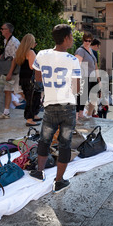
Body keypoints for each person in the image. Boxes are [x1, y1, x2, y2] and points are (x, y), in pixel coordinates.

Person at [29, 24, 81, 193]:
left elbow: (37, 77)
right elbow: (77, 88)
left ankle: (39, 171)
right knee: (65, 144)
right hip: (67, 107)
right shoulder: (73, 60)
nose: (72, 40)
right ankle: (59, 181)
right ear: (66, 39)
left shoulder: (42, 54)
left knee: (45, 139)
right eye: (71, 36)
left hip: (50, 105)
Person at [14, 34, 42, 127]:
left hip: (23, 78)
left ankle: (33, 115)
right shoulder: (31, 52)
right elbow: (32, 66)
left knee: (30, 98)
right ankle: (29, 119)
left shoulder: (21, 52)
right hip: (31, 78)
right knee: (33, 98)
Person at [0, 23, 22, 120]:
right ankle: (6, 112)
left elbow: (15, 58)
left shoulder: (14, 42)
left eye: (3, 29)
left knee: (16, 90)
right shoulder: (6, 40)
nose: (1, 30)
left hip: (12, 71)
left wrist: (10, 73)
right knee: (7, 90)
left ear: (8, 30)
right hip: (7, 70)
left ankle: (33, 111)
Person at [75, 32, 99, 120]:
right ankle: (77, 115)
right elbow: (77, 64)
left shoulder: (90, 50)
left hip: (91, 77)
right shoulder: (80, 50)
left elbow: (95, 65)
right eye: (86, 40)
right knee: (80, 97)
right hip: (84, 77)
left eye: (89, 41)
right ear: (83, 40)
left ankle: (81, 114)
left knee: (85, 97)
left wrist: (98, 79)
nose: (88, 42)